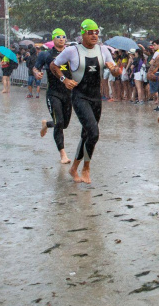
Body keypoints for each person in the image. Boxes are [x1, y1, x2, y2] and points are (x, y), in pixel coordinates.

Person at [50, 19, 120, 184]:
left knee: (87, 135)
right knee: (94, 133)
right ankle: (86, 168)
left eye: (97, 32)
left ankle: (74, 168)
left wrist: (115, 70)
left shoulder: (104, 50)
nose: (94, 35)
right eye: (90, 32)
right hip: (80, 97)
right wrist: (64, 79)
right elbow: (54, 65)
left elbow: (116, 72)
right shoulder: (72, 51)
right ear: (83, 34)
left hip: (96, 98)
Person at [35, 28, 73, 164]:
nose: (62, 39)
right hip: (53, 93)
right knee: (59, 123)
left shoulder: (71, 53)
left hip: (68, 93)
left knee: (65, 124)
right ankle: (63, 154)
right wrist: (37, 73)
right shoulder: (46, 55)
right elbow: (36, 68)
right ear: (53, 39)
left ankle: (47, 124)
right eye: (58, 36)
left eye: (63, 36)